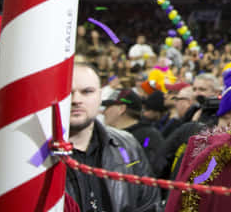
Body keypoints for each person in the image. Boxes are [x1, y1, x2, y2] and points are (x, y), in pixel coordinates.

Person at [66, 63, 160, 212]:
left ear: (98, 97)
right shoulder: (38, 154)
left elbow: (149, 204)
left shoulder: (128, 144)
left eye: (87, 92)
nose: (76, 99)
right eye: (67, 92)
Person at [101, 89, 165, 174]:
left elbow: (148, 167)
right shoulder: (109, 136)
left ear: (121, 109)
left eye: (108, 107)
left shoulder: (148, 138)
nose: (103, 112)